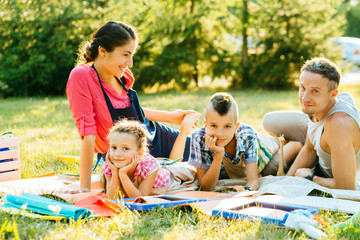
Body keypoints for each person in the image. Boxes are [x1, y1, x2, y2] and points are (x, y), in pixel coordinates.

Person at [66, 21, 200, 193]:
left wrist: (172, 117)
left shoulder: (121, 76)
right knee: (202, 168)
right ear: (103, 51)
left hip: (154, 135)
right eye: (125, 54)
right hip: (134, 153)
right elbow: (88, 133)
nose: (130, 62)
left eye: (131, 55)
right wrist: (84, 188)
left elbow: (133, 112)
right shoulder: (82, 76)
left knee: (205, 149)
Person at [263, 58, 360, 190]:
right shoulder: (317, 107)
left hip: (346, 180)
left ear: (333, 94)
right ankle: (293, 146)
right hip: (321, 158)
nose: (305, 98)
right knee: (269, 121)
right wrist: (286, 182)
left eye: (315, 91)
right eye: (303, 88)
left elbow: (346, 188)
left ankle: (292, 146)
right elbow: (309, 150)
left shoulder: (338, 125)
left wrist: (310, 177)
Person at [187, 92, 302, 191]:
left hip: (263, 158)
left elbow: (253, 181)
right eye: (213, 126)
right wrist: (218, 154)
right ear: (205, 124)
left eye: (227, 126)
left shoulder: (247, 134)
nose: (220, 133)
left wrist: (245, 191)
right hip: (240, 166)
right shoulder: (199, 138)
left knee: (274, 165)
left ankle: (289, 143)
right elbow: (206, 187)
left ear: (236, 127)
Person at [103, 119, 197, 199]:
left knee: (190, 172)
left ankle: (185, 128)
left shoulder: (149, 166)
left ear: (139, 154)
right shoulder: (111, 165)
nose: (117, 154)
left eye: (125, 148)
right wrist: (116, 173)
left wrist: (123, 175)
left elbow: (139, 198)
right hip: (154, 170)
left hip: (170, 180)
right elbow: (112, 198)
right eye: (114, 147)